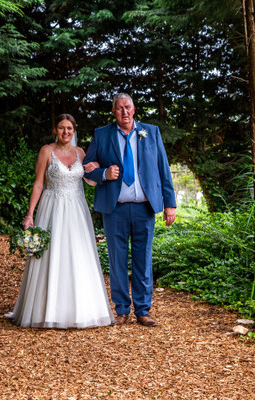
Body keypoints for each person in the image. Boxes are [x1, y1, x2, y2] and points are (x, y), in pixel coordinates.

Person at [6, 114, 114, 329]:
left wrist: (101, 170)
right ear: (55, 130)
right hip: (52, 207)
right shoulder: (47, 151)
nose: (66, 132)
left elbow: (91, 181)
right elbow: (38, 184)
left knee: (78, 254)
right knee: (51, 254)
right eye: (62, 128)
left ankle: (81, 309)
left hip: (77, 209)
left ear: (74, 131)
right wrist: (30, 214)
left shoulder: (81, 153)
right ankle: (46, 309)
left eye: (70, 128)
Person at [83, 93, 176, 327]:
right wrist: (104, 173)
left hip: (145, 208)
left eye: (127, 107)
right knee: (117, 260)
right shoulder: (101, 135)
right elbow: (86, 169)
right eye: (119, 108)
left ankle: (143, 310)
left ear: (134, 110)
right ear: (113, 112)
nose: (124, 112)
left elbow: (163, 169)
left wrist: (170, 204)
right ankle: (122, 310)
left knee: (143, 260)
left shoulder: (151, 132)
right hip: (115, 209)